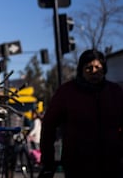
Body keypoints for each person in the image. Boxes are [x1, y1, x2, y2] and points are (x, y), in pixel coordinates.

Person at [38, 49, 123, 178]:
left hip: (111, 164)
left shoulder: (115, 92)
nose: (94, 72)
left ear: (104, 69)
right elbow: (49, 126)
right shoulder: (66, 93)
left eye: (97, 67)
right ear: (81, 70)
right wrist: (48, 163)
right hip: (78, 165)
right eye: (89, 68)